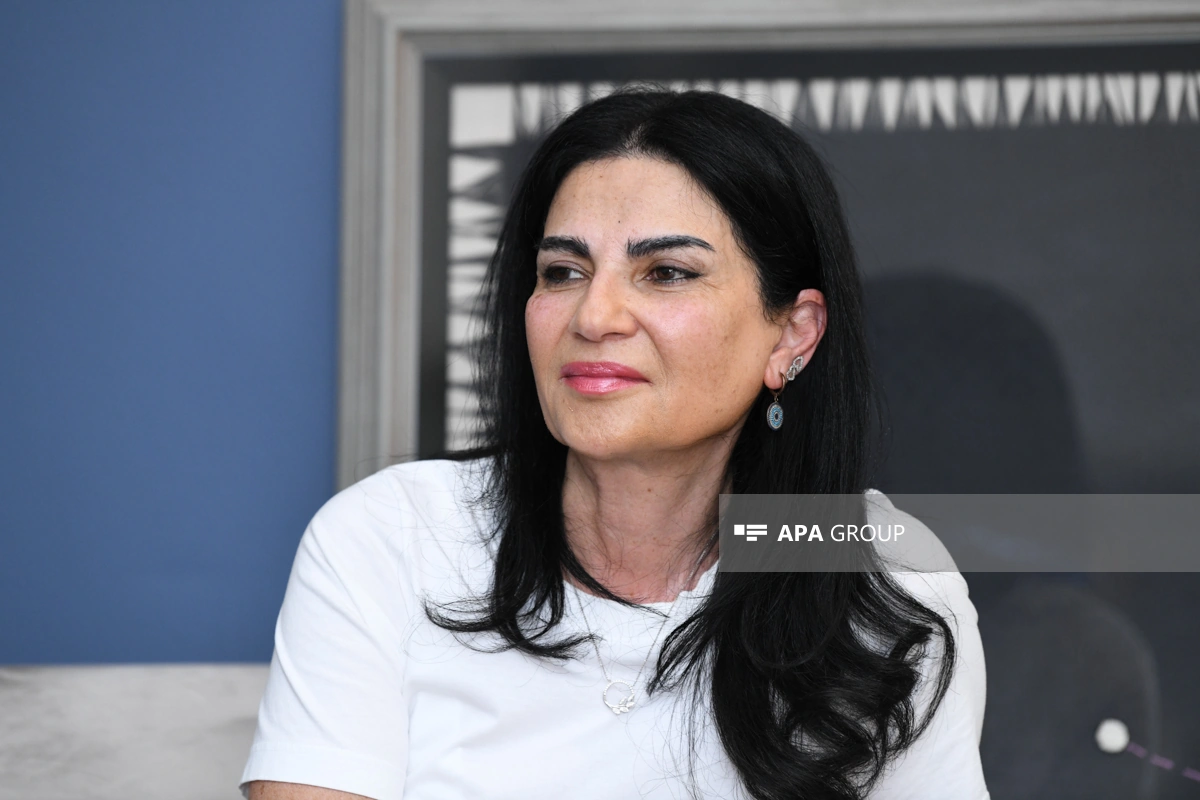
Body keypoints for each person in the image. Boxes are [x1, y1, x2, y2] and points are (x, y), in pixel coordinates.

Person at [240, 88, 988, 800]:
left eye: (667, 273)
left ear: (792, 335)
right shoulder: (392, 537)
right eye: (563, 271)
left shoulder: (884, 573)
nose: (594, 316)